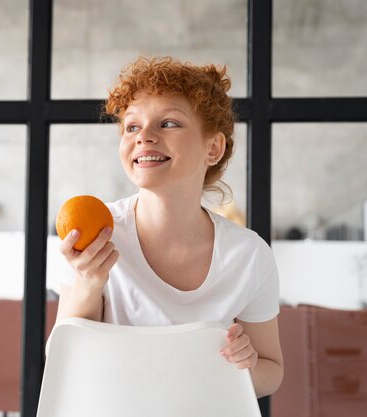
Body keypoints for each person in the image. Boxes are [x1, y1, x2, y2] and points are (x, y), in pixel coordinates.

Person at [55, 56, 283, 398]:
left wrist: (245, 365)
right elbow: (64, 362)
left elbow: (272, 370)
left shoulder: (248, 255)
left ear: (213, 148)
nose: (144, 136)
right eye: (132, 127)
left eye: (169, 124)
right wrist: (90, 282)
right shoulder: (97, 236)